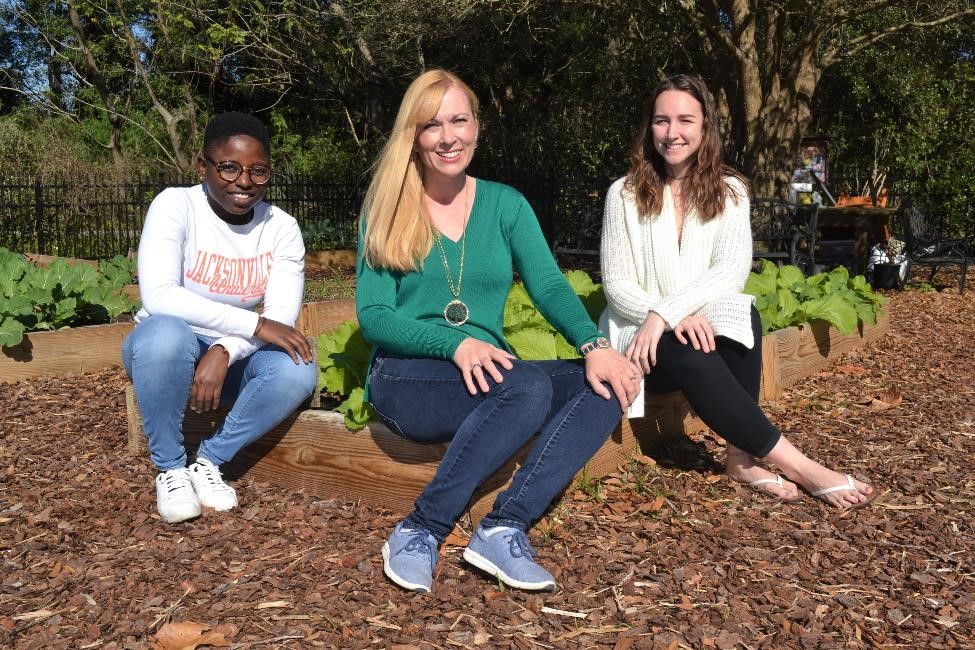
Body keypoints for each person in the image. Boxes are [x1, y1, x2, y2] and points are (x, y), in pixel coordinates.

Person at [356, 69, 642, 594]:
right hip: (407, 375)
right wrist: (456, 342)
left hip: (489, 375)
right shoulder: (388, 207)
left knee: (604, 385)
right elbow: (374, 316)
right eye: (432, 125)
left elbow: (551, 286)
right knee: (526, 386)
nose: (448, 137)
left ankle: (503, 525)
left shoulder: (505, 204)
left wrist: (596, 346)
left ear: (477, 127)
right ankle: (421, 528)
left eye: (459, 120)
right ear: (414, 137)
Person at [599, 74, 877, 510]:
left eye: (685, 120)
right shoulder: (624, 193)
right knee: (685, 348)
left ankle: (741, 457)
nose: (672, 133)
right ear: (648, 128)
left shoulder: (730, 192)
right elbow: (617, 286)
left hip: (685, 324)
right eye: (661, 121)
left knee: (742, 312)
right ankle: (799, 464)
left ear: (706, 125)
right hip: (643, 342)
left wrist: (669, 313)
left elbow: (729, 273)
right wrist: (662, 319)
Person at [122, 112, 317, 524]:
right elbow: (159, 296)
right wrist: (254, 324)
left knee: (298, 368)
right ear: (203, 167)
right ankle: (171, 468)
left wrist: (225, 348)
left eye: (257, 171)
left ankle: (209, 461)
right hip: (165, 351)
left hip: (233, 357)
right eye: (228, 167)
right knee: (166, 335)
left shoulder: (281, 228)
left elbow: (280, 316)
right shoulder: (176, 205)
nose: (243, 182)